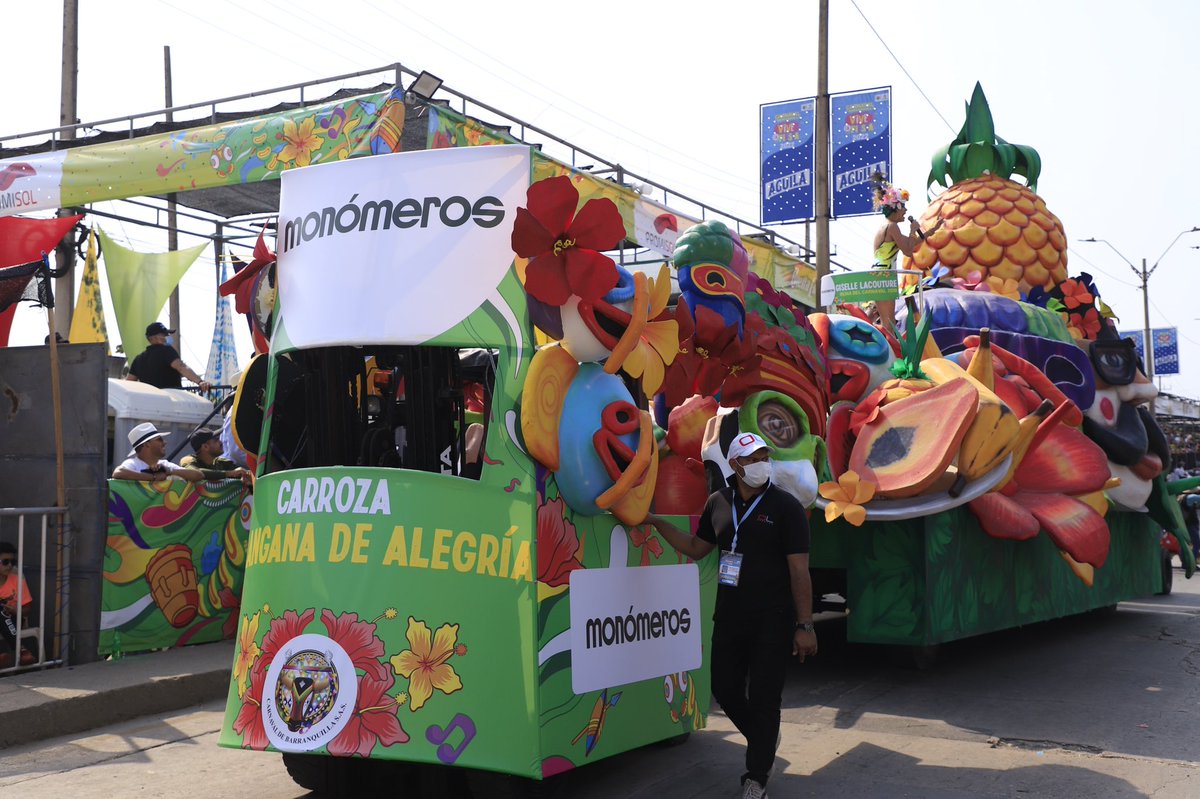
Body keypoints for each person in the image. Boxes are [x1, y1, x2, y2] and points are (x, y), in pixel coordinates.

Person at [646, 432, 818, 799]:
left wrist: (805, 625)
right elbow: (697, 548)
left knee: (765, 697)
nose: (763, 464)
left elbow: (800, 572)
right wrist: (656, 523)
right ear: (737, 465)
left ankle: (756, 778)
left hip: (774, 617)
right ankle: (764, 739)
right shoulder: (718, 502)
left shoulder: (786, 507)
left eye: (764, 457)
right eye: (754, 458)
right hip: (730, 615)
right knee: (723, 688)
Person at [870, 173, 943, 333]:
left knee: (888, 322)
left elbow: (910, 243)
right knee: (888, 325)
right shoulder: (892, 227)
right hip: (883, 277)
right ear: (895, 208)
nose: (905, 210)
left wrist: (931, 231)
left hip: (881, 276)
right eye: (902, 206)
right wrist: (912, 230)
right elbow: (908, 251)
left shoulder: (888, 227)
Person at [127, 322, 212, 392]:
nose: (167, 337)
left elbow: (129, 383)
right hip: (172, 401)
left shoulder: (138, 359)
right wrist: (200, 382)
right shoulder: (166, 351)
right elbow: (181, 367)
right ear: (154, 338)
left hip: (149, 403)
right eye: (164, 334)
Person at [112, 422, 205, 482]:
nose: (164, 442)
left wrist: (169, 471)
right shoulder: (133, 464)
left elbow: (199, 475)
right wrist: (154, 477)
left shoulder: (164, 465)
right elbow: (118, 473)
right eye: (159, 439)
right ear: (147, 444)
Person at [0, 541, 36, 668]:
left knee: (1, 611)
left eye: (12, 562)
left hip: (14, 618)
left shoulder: (17, 580)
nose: (9, 566)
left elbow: (27, 609)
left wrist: (16, 610)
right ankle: (21, 650)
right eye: (5, 562)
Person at [180, 427, 253, 486]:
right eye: (216, 440)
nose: (220, 442)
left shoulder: (221, 463)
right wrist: (230, 473)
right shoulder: (188, 460)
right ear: (205, 447)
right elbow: (195, 473)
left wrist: (245, 476)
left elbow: (240, 472)